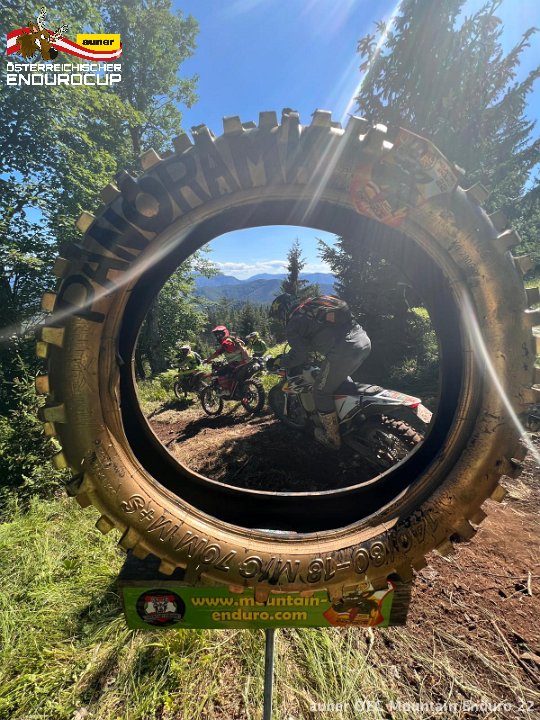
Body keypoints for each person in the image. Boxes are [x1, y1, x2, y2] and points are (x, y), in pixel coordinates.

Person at [270, 294, 371, 450]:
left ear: (282, 311)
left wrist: (281, 361)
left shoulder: (294, 323)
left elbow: (299, 354)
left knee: (320, 391)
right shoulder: (312, 307)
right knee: (338, 380)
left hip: (344, 350)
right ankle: (355, 418)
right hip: (363, 341)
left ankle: (332, 438)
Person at [204, 325, 251, 395]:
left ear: (225, 333)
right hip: (244, 362)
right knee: (227, 371)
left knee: (219, 372)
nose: (218, 337)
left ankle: (226, 390)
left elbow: (218, 353)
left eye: (220, 335)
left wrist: (208, 359)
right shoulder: (233, 339)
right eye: (217, 335)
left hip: (237, 363)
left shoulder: (226, 342)